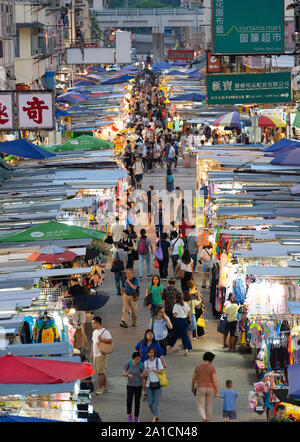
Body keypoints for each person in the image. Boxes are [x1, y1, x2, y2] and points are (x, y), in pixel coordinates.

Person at [191, 352, 219, 422]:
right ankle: (208, 419)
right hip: (210, 388)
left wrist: (192, 387)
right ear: (211, 360)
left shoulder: (197, 367)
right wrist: (216, 390)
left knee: (201, 405)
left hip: (200, 387)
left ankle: (204, 417)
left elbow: (194, 378)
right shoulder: (212, 368)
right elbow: (215, 380)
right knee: (209, 405)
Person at [90, 316, 113, 395]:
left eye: (93, 323)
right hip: (96, 354)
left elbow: (110, 340)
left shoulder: (105, 332)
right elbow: (93, 342)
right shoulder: (94, 332)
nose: (92, 325)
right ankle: (105, 387)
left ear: (98, 323)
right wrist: (92, 353)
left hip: (101, 354)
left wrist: (101, 340)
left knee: (100, 372)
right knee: (101, 371)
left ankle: (100, 389)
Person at [143, 347, 164, 423]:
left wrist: (153, 370)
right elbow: (145, 375)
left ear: (154, 353)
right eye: (149, 352)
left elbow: (161, 371)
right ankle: (155, 412)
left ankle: (155, 417)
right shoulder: (146, 362)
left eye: (152, 352)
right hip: (149, 384)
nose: (151, 354)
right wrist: (145, 372)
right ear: (147, 353)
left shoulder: (158, 361)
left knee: (157, 401)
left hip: (157, 383)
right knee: (150, 402)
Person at [123, 351, 144, 422]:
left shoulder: (141, 365)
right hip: (130, 385)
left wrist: (143, 375)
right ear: (133, 359)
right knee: (129, 400)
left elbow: (144, 374)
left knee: (137, 401)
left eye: (139, 359)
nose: (139, 360)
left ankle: (136, 416)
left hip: (139, 385)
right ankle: (129, 414)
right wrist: (128, 375)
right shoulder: (129, 363)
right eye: (137, 359)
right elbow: (124, 372)